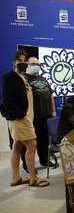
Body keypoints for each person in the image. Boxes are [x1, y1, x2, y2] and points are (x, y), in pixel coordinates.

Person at [1, 50, 49, 187]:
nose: (22, 63)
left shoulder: (24, 78)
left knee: (17, 145)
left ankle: (16, 178)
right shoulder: (9, 78)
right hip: (20, 119)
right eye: (19, 61)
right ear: (14, 63)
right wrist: (21, 115)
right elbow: (6, 101)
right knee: (32, 145)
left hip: (27, 118)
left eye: (24, 61)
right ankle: (33, 178)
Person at [20, 57, 57, 174]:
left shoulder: (43, 79)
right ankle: (27, 165)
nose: (37, 66)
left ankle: (44, 160)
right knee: (28, 143)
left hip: (45, 115)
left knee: (43, 140)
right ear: (27, 65)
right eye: (33, 64)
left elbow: (51, 96)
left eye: (38, 64)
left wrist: (53, 111)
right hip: (31, 117)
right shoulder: (23, 79)